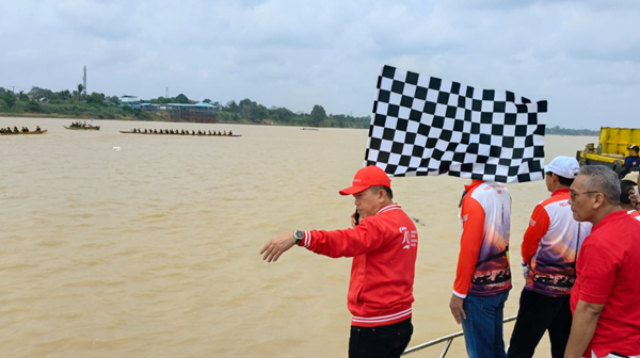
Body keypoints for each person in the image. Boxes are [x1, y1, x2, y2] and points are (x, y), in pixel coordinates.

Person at [260, 165, 418, 358]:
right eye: (354, 197)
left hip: (375, 325)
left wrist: (300, 236)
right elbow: (375, 247)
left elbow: (343, 242)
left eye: (360, 196)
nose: (356, 202)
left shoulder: (378, 225)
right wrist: (363, 224)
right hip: (401, 321)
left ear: (381, 195)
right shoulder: (405, 222)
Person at [508, 157, 592, 358]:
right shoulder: (588, 206)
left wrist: (527, 264)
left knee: (522, 346)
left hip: (541, 291)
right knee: (563, 347)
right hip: (574, 292)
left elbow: (528, 246)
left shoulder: (546, 206)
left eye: (547, 175)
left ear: (554, 177)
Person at [564, 165, 640, 358]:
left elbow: (589, 309)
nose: (569, 201)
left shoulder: (601, 243)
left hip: (608, 348)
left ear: (597, 199)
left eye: (574, 195)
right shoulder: (634, 227)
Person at [449, 179, 512, 358]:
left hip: (479, 289)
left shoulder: (476, 196)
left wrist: (458, 293)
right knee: (497, 349)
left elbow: (470, 249)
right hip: (501, 282)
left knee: (480, 353)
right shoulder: (503, 191)